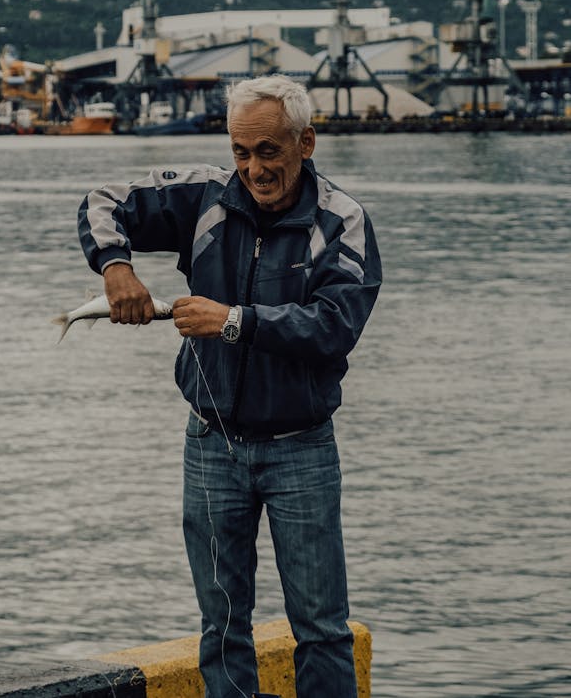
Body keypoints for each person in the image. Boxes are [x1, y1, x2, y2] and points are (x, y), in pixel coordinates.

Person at [78, 74, 382, 698]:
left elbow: (334, 327)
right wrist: (115, 267)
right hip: (210, 444)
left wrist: (233, 322)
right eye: (241, 150)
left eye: (268, 151)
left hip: (301, 449)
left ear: (306, 143)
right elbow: (103, 198)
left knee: (321, 627)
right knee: (221, 624)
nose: (252, 168)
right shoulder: (206, 196)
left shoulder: (341, 222)